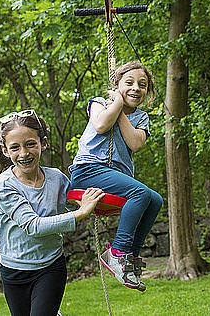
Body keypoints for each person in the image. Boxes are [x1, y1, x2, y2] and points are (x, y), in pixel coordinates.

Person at [0, 109, 105, 316]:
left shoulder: (57, 178)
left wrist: (95, 202)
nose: (24, 153)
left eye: (31, 144)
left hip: (50, 266)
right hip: (14, 270)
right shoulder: (3, 186)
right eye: (15, 147)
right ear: (6, 151)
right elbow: (33, 226)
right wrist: (80, 214)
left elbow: (74, 203)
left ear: (43, 143)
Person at [70, 60, 163, 292]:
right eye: (129, 83)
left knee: (155, 199)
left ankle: (129, 257)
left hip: (113, 176)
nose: (136, 88)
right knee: (140, 192)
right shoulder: (99, 103)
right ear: (117, 85)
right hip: (88, 171)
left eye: (142, 85)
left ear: (147, 91)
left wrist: (120, 107)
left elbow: (135, 142)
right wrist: (116, 103)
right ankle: (118, 252)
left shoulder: (141, 118)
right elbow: (101, 125)